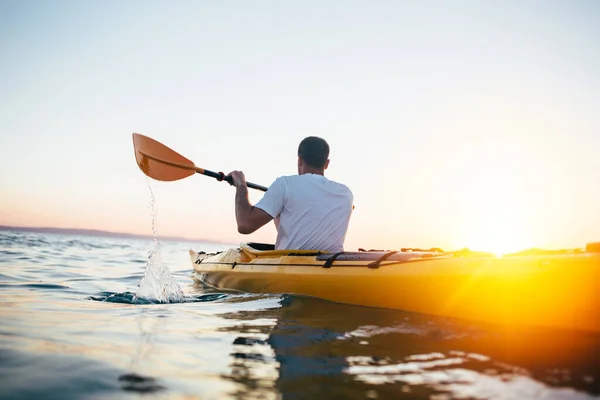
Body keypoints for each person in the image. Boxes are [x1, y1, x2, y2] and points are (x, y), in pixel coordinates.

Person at [227, 136, 353, 252]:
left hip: (292, 266)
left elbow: (245, 225)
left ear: (299, 160)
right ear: (326, 164)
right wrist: (278, 211)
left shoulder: (285, 184)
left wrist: (240, 184)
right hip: (331, 268)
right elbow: (299, 232)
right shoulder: (346, 194)